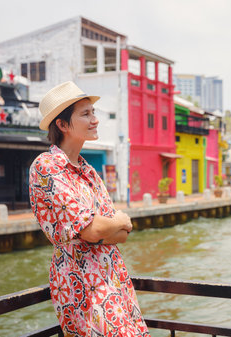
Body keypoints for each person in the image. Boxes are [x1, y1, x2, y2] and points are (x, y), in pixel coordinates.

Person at [29, 81, 150, 337]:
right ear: (62, 125)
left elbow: (121, 235)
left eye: (93, 112)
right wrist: (115, 221)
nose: (94, 120)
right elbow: (93, 230)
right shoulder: (47, 166)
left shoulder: (89, 172)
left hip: (113, 277)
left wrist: (109, 226)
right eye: (85, 114)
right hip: (81, 282)